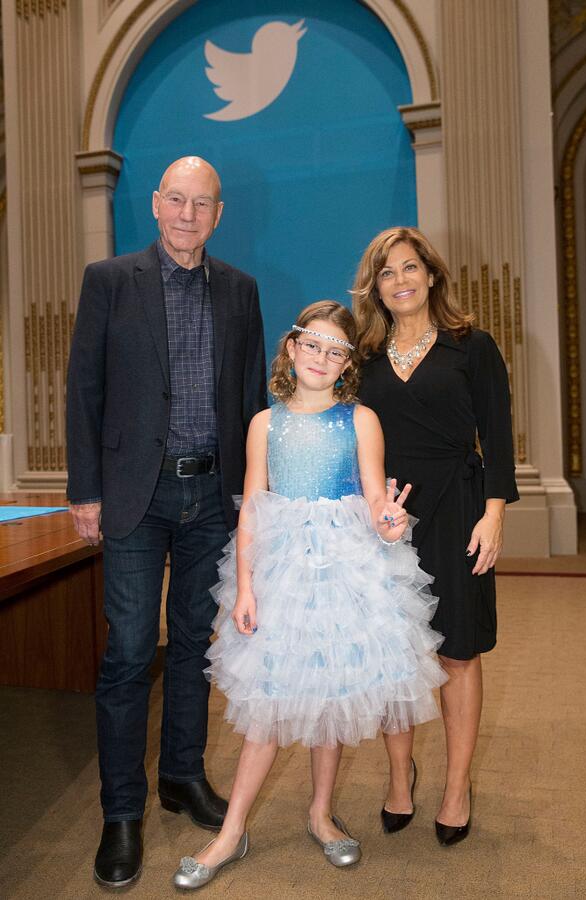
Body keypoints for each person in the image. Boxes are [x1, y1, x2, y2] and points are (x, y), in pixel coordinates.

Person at [171, 300, 446, 890]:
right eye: (312, 344)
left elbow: (376, 498)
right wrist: (244, 587)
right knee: (268, 705)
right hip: (283, 570)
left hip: (347, 565)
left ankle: (321, 813)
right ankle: (231, 831)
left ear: (347, 363)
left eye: (335, 351)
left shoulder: (360, 419)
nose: (322, 357)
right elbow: (251, 509)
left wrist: (391, 522)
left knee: (332, 695)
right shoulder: (264, 424)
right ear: (292, 349)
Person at [66, 156, 267, 888]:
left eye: (201, 203)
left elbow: (249, 401)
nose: (187, 214)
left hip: (211, 500)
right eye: (176, 200)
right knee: (126, 653)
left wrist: (253, 493)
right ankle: (121, 813)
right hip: (134, 499)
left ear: (219, 213)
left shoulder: (241, 293)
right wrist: (83, 490)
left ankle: (182, 776)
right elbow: (83, 385)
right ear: (155, 205)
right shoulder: (109, 281)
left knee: (192, 647)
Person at [352, 227, 518, 846]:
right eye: (387, 272)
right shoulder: (363, 357)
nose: (401, 280)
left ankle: (455, 787)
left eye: (410, 268)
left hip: (458, 509)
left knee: (457, 652)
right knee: (396, 656)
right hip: (386, 518)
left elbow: (497, 436)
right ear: (375, 287)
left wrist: (495, 511)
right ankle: (400, 778)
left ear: (431, 275)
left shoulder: (471, 346)